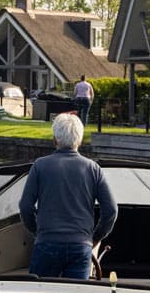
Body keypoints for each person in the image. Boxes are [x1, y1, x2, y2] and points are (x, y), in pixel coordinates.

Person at [18, 113, 117, 279]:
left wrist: (39, 232)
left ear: (54, 139)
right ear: (79, 140)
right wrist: (94, 238)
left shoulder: (40, 166)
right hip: (81, 245)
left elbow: (25, 207)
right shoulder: (93, 169)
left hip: (47, 244)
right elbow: (111, 211)